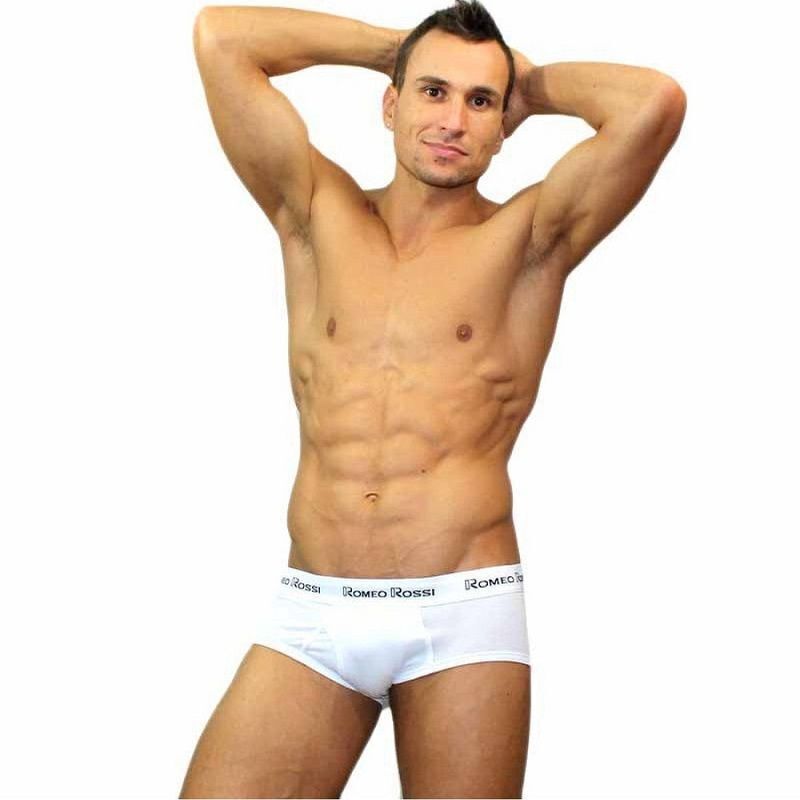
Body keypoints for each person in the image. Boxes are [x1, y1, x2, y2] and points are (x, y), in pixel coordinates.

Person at [181, 1, 686, 796]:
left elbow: (653, 101)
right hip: (314, 607)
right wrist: (396, 48)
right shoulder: (313, 210)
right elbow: (222, 40)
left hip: (462, 615)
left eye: (480, 102)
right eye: (433, 91)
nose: (453, 120)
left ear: (503, 124)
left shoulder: (528, 240)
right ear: (392, 102)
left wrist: (527, 87)